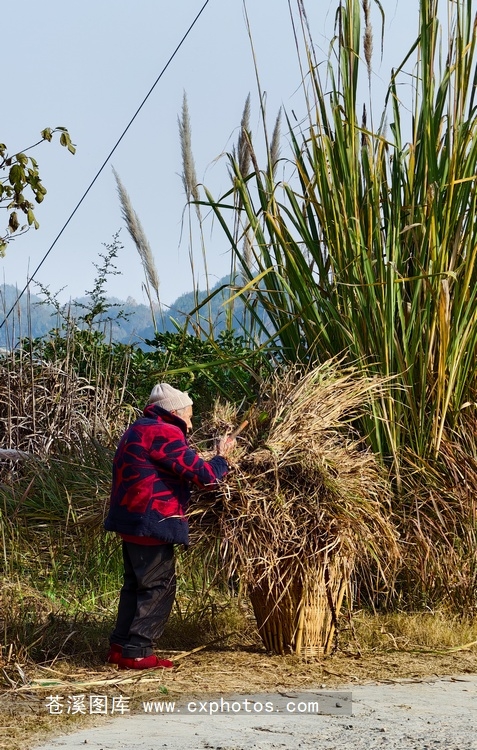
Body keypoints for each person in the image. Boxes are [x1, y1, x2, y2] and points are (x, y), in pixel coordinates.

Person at [104, 382, 234, 670]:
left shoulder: (139, 428)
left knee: (135, 585)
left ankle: (120, 647)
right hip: (152, 519)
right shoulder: (164, 432)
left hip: (131, 519)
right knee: (158, 586)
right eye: (189, 416)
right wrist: (222, 457)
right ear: (174, 413)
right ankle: (138, 652)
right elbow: (207, 477)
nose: (190, 423)